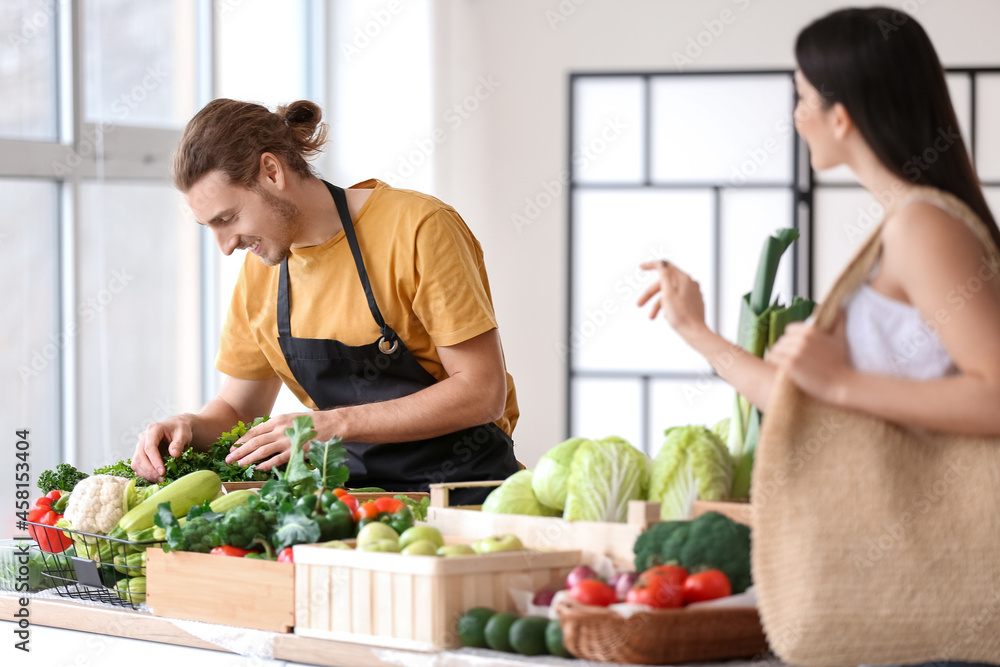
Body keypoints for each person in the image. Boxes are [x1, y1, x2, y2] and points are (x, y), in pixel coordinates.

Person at [639, 7, 1000, 667]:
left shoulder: (923, 226)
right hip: (904, 599)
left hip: (937, 608)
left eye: (803, 97)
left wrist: (842, 379)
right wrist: (697, 331)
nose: (797, 115)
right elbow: (806, 398)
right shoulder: (903, 224)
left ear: (843, 115)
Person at [131, 99, 520, 504]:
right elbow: (236, 407)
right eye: (209, 227)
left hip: (465, 499)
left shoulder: (418, 228)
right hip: (354, 507)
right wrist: (188, 427)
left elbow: (482, 391)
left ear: (272, 171)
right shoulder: (263, 270)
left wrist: (329, 424)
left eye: (228, 219)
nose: (226, 246)